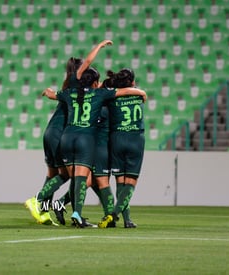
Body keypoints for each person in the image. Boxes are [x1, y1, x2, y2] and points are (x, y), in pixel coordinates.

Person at [42, 67, 146, 227]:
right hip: (99, 147)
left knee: (88, 181)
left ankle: (62, 206)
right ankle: (114, 217)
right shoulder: (105, 101)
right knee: (100, 182)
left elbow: (54, 94)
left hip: (90, 144)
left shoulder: (100, 99)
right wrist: (140, 92)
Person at [25, 40, 113, 225]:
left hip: (52, 131)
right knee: (69, 175)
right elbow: (88, 63)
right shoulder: (80, 85)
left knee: (55, 174)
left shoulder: (70, 86)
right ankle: (38, 201)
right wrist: (99, 46)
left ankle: (45, 210)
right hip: (61, 133)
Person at [98, 68, 145, 229]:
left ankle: (127, 220)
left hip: (117, 138)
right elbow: (141, 93)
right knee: (130, 182)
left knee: (120, 181)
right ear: (132, 81)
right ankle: (115, 215)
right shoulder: (139, 93)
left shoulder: (111, 96)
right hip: (135, 139)